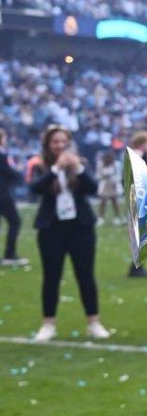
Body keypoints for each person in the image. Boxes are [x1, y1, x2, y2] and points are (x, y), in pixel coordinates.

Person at [28, 125, 110, 342]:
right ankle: (48, 324)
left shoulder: (80, 164)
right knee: (51, 276)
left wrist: (79, 170)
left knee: (85, 275)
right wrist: (55, 169)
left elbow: (94, 188)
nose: (60, 145)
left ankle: (94, 322)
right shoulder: (40, 164)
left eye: (63, 141)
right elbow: (34, 188)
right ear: (48, 144)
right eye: (55, 142)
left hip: (80, 227)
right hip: (51, 228)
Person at [125, 129, 147, 278]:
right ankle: (136, 267)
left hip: (137, 200)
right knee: (141, 235)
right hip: (138, 200)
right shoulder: (138, 156)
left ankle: (137, 266)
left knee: (142, 235)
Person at [0, 127, 27, 266]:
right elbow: (10, 172)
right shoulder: (3, 155)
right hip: (3, 195)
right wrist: (20, 170)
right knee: (15, 221)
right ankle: (9, 253)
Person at [94, 149, 120, 224]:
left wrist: (114, 180)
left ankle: (117, 217)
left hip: (113, 184)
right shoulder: (100, 164)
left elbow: (118, 175)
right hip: (104, 184)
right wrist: (103, 175)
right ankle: (100, 218)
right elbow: (97, 175)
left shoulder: (116, 164)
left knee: (115, 201)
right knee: (102, 201)